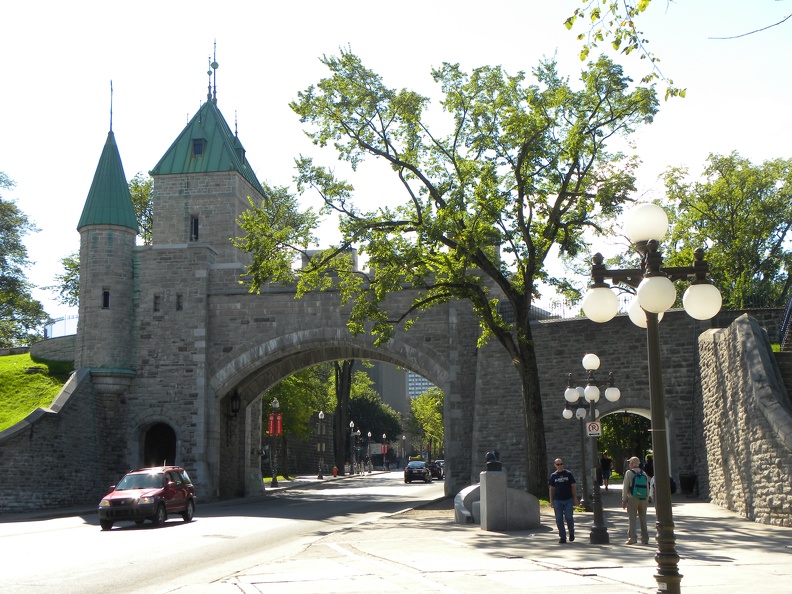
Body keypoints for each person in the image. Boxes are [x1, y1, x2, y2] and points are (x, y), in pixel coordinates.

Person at [549, 458, 578, 544]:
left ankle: (571, 532)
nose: (560, 466)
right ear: (555, 465)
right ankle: (562, 537)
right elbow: (551, 489)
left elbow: (573, 486)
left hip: (568, 499)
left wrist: (575, 498)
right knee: (559, 519)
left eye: (561, 464)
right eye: (558, 464)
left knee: (569, 517)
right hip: (557, 500)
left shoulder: (568, 474)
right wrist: (551, 500)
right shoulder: (553, 476)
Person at [622, 456, 649, 545]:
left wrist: (624, 499)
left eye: (630, 463)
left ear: (632, 464)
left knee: (632, 518)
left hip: (632, 498)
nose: (629, 464)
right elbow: (647, 488)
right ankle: (645, 538)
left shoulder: (629, 473)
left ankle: (632, 538)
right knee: (643, 518)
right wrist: (647, 498)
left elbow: (625, 487)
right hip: (643, 499)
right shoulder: (644, 473)